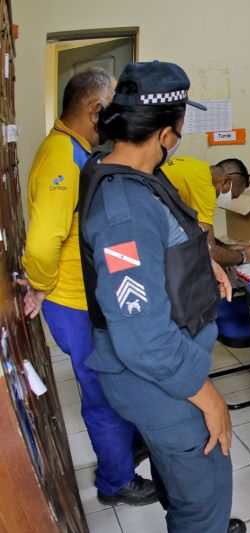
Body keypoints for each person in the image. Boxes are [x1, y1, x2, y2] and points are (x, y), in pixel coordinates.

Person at [77, 60, 245, 533]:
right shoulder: (123, 211)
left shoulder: (126, 168)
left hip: (161, 363)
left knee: (179, 472)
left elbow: (165, 236)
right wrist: (209, 397)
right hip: (154, 375)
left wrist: (199, 260)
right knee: (205, 489)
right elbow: (143, 337)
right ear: (167, 133)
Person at [19, 68, 157, 506]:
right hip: (73, 303)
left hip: (87, 298)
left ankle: (124, 452)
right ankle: (116, 483)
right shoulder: (63, 157)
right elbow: (43, 241)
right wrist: (39, 285)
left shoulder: (75, 149)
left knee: (116, 386)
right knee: (103, 394)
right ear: (96, 110)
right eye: (114, 108)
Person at [162, 155, 250, 266]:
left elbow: (194, 228)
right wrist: (244, 256)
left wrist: (224, 247)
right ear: (226, 181)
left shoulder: (196, 167)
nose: (230, 200)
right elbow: (209, 252)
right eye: (233, 195)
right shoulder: (205, 188)